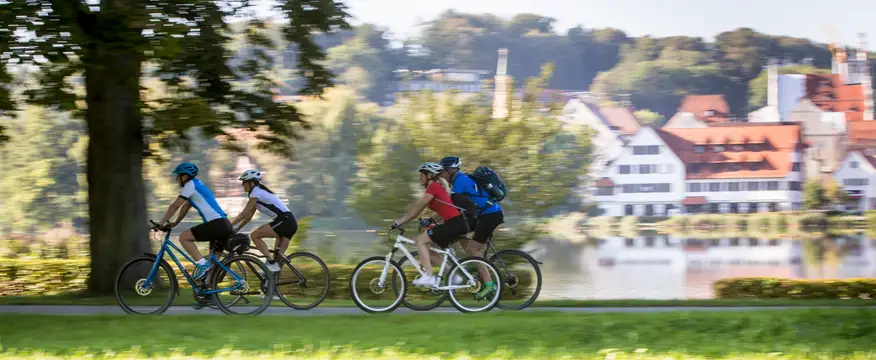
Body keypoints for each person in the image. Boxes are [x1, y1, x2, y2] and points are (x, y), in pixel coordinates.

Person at [391, 162, 468, 288]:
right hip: (455, 223)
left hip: (454, 224)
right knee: (428, 249)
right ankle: (453, 276)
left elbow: (418, 207)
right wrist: (429, 221)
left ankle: (429, 276)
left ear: (430, 175)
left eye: (421, 175)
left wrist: (401, 221)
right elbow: (440, 210)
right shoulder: (437, 187)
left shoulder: (433, 187)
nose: (419, 178)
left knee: (420, 241)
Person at [439, 156, 503, 299]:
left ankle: (489, 285)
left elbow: (450, 207)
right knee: (460, 233)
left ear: (451, 170)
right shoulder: (461, 180)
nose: (440, 174)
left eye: (442, 171)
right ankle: (476, 262)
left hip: (490, 215)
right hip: (484, 214)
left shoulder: (460, 182)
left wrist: (433, 220)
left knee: (472, 249)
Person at [157, 162, 233, 281]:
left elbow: (175, 206)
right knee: (212, 265)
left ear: (185, 176)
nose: (177, 179)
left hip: (216, 224)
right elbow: (186, 206)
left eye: (178, 176)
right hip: (224, 224)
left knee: (184, 237)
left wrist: (161, 223)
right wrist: (175, 223)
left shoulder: (190, 185)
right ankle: (210, 289)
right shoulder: (197, 185)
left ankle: (202, 264)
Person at [229, 169, 298, 272]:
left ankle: (270, 262)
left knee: (255, 235)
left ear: (251, 182)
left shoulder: (256, 193)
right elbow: (249, 216)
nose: (242, 184)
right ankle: (271, 276)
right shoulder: (258, 193)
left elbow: (243, 214)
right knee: (277, 261)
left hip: (284, 221)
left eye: (243, 182)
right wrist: (237, 228)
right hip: (288, 221)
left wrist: (229, 225)